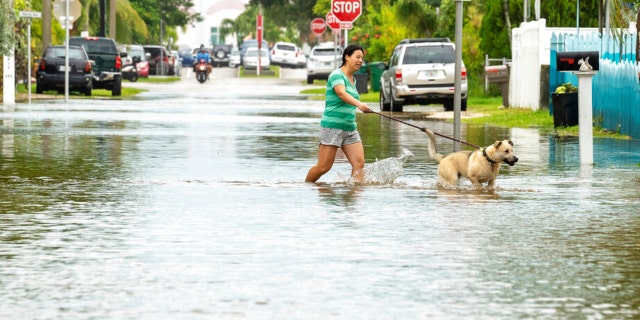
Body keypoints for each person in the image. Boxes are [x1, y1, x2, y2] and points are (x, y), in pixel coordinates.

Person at [305, 44, 372, 184]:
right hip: (332, 127)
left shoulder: (353, 79)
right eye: (357, 57)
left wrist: (362, 107)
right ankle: (306, 187)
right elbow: (341, 93)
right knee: (324, 167)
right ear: (347, 57)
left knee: (359, 165)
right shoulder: (336, 75)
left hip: (350, 127)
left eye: (362, 58)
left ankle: (354, 197)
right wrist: (359, 104)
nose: (360, 61)